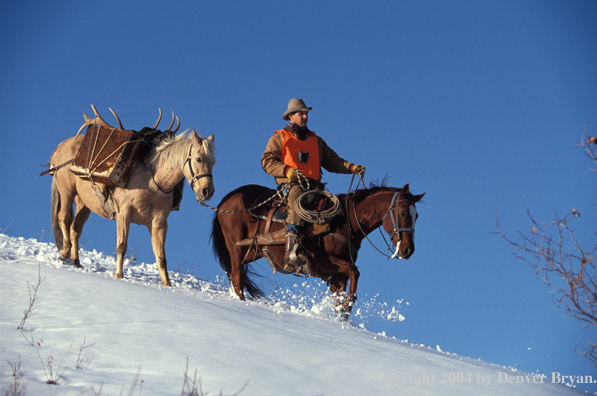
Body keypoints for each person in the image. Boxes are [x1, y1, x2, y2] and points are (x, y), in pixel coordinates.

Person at [261, 98, 365, 274]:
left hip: (316, 187)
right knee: (296, 206)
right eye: (301, 113)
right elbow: (267, 161)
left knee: (336, 210)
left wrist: (351, 167)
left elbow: (332, 161)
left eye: (306, 113)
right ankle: (290, 254)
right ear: (291, 116)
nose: (305, 116)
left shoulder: (317, 141)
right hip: (294, 185)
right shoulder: (280, 138)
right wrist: (287, 171)